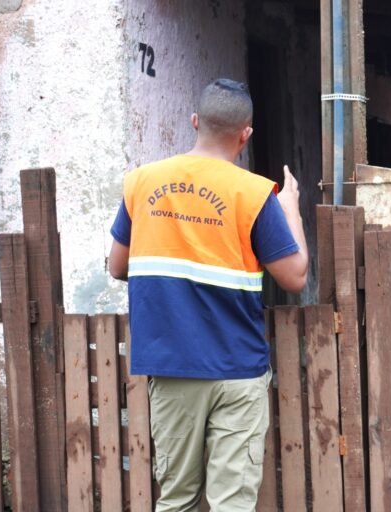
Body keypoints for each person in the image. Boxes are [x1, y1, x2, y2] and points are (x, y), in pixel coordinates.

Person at [108, 78, 308, 511]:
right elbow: (295, 277)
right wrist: (290, 207)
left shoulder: (141, 183)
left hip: (171, 366)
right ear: (246, 134)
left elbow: (117, 267)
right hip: (238, 369)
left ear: (195, 121)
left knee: (176, 499)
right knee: (231, 504)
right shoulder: (254, 193)